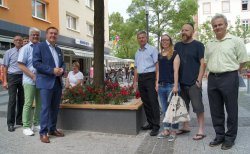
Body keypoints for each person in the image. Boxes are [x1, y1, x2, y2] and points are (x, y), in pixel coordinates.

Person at [205, 14, 248, 150]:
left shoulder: (236, 41)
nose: (217, 27)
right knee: (215, 109)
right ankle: (219, 136)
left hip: (229, 77)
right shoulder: (209, 43)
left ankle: (230, 138)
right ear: (213, 28)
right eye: (215, 26)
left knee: (231, 108)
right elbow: (206, 61)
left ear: (226, 25)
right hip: (212, 78)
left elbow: (242, 61)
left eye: (220, 24)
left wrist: (232, 72)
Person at [33, 27, 65, 143]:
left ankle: (52, 129)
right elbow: (36, 63)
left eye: (55, 34)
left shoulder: (59, 49)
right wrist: (52, 70)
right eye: (51, 33)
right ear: (46, 35)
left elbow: (62, 64)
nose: (53, 35)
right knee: (45, 108)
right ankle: (43, 133)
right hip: (46, 82)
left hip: (57, 82)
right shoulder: (39, 47)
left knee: (55, 108)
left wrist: (62, 69)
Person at [174, 23, 206, 140]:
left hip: (193, 82)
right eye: (182, 30)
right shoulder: (177, 46)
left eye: (186, 30)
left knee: (198, 107)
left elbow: (203, 63)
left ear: (192, 32)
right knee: (183, 107)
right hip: (181, 83)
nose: (184, 32)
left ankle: (201, 129)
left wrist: (199, 79)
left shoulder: (198, 45)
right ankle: (185, 126)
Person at [133, 31, 160, 136]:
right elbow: (135, 68)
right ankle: (150, 123)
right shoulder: (137, 53)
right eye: (139, 38)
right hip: (141, 79)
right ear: (137, 39)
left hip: (150, 77)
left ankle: (156, 126)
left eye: (143, 37)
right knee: (146, 102)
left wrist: (157, 80)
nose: (141, 39)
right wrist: (135, 81)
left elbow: (157, 65)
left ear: (147, 38)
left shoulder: (152, 49)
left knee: (153, 102)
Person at [18, 27, 41, 136]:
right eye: (33, 35)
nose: (35, 36)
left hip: (40, 80)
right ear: (29, 36)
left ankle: (36, 123)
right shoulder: (25, 48)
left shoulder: (41, 47)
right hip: (29, 80)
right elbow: (21, 65)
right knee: (28, 103)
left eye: (37, 35)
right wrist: (32, 75)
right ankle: (26, 126)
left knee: (39, 103)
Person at [156, 34, 180, 142]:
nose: (164, 41)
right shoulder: (159, 55)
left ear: (170, 41)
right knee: (165, 110)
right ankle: (166, 130)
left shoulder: (175, 54)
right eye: (163, 40)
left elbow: (176, 71)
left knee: (173, 110)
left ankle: (174, 131)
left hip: (171, 86)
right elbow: (158, 71)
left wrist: (175, 85)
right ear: (161, 42)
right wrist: (156, 83)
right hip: (161, 86)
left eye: (167, 40)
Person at [3, 35, 24, 132]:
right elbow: (5, 67)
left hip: (23, 77)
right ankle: (10, 123)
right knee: (12, 100)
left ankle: (19, 120)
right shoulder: (8, 52)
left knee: (21, 100)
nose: (18, 41)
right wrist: (4, 81)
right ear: (13, 41)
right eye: (16, 40)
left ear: (22, 41)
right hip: (12, 77)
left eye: (20, 40)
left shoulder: (25, 51)